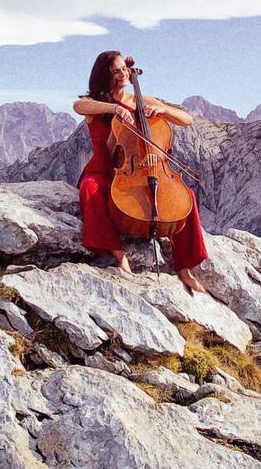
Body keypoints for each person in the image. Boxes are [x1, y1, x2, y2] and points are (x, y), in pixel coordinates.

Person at [73, 50, 208, 292]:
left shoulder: (139, 99)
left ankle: (184, 268)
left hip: (140, 169)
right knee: (89, 189)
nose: (123, 74)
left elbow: (186, 119)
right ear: (105, 74)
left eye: (125, 69)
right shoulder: (94, 103)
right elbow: (79, 105)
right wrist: (113, 109)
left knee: (185, 195)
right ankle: (119, 256)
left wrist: (163, 111)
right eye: (116, 70)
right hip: (104, 170)